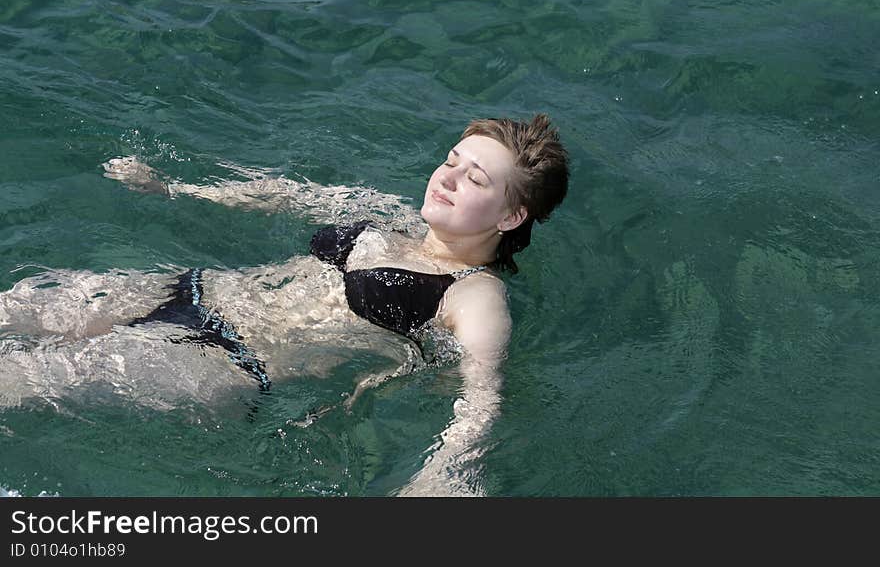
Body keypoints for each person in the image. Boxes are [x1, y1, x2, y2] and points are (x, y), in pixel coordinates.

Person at [0, 114, 569, 496]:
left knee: (23, 374)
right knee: (15, 305)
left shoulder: (475, 295)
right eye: (450, 160)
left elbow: (481, 395)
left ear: (510, 216)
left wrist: (441, 478)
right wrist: (178, 190)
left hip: (218, 358)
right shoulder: (392, 214)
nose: (447, 178)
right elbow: (285, 194)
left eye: (474, 178)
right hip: (188, 288)